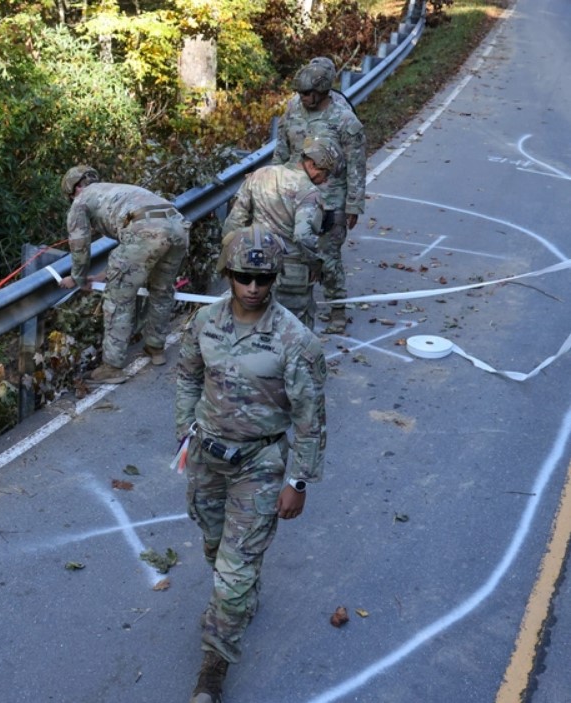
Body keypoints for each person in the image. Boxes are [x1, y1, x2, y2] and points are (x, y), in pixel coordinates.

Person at [174, 227, 328, 703]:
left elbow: (310, 419)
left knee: (235, 569)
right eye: (244, 277)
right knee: (214, 544)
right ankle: (236, 598)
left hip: (258, 464)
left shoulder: (295, 341)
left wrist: (297, 481)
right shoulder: (204, 323)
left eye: (263, 278)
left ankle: (213, 668)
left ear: (274, 278)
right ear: (228, 275)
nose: (253, 287)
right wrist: (184, 432)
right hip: (205, 457)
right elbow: (187, 375)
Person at [57, 165, 189, 384]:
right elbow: (134, 253)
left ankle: (112, 366)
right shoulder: (113, 190)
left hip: (144, 231)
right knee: (161, 289)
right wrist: (101, 276)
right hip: (177, 226)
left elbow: (79, 245)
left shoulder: (80, 202)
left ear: (75, 189)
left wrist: (77, 278)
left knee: (118, 299)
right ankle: (156, 348)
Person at [273, 57, 367, 335]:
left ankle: (337, 308)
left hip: (330, 200)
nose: (304, 98)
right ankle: (294, 305)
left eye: (309, 93)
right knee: (292, 251)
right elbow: (280, 149)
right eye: (301, 93)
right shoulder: (292, 109)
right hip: (294, 195)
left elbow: (356, 165)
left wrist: (353, 205)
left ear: (324, 90)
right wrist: (273, 182)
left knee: (327, 256)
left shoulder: (345, 120)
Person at [221, 135, 340, 328]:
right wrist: (316, 263)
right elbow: (303, 235)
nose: (325, 179)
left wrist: (232, 262)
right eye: (325, 172)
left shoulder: (260, 175)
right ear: (312, 164)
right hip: (290, 272)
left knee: (255, 324)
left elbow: (233, 223)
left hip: (256, 266)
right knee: (293, 330)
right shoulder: (309, 193)